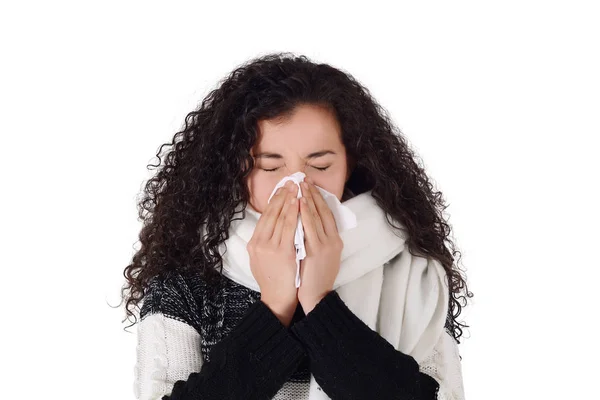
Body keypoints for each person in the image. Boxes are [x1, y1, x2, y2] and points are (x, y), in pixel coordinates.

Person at [121, 52, 472, 400]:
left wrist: (320, 305)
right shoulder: (187, 280)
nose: (297, 184)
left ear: (351, 165)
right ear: (236, 170)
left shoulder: (414, 273)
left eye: (319, 165)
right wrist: (274, 307)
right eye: (271, 167)